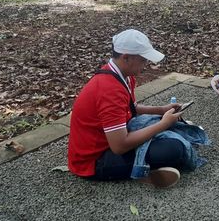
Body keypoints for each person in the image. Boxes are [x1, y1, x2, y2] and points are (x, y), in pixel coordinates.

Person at [68, 29, 209, 188]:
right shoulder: (109, 90)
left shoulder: (121, 75)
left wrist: (161, 110)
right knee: (173, 149)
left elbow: (130, 107)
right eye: (143, 60)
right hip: (94, 160)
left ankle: (147, 169)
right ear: (126, 58)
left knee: (173, 135)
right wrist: (163, 124)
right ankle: (143, 174)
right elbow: (119, 146)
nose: (146, 64)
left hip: (112, 140)